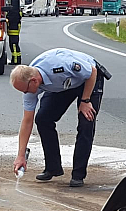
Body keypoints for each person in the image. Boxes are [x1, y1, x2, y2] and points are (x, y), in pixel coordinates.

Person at [9, 48, 111, 187]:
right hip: (63, 85)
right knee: (43, 119)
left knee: (86, 122)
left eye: (25, 90)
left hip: (87, 79)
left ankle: (78, 175)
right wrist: (21, 155)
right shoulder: (29, 85)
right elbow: (27, 121)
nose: (25, 93)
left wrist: (85, 101)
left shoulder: (61, 66)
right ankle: (53, 167)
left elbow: (92, 71)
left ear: (34, 81)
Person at [6, 0, 22, 65]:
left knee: (14, 47)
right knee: (14, 46)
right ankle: (16, 59)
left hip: (13, 32)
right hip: (14, 32)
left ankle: (15, 61)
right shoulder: (17, 11)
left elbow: (10, 19)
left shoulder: (14, 12)